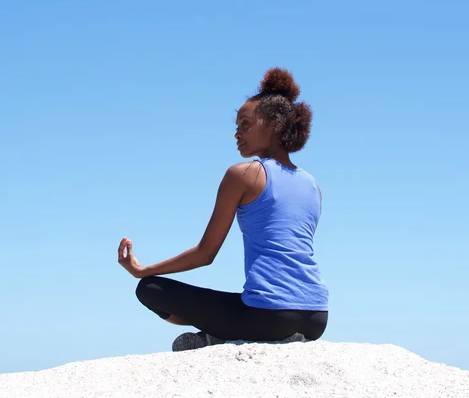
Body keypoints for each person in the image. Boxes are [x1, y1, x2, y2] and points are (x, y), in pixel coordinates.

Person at [117, 67, 329, 351]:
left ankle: (222, 337)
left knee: (150, 289)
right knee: (244, 303)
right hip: (317, 316)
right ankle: (238, 333)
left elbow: (205, 254)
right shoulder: (313, 186)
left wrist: (142, 270)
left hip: (271, 316)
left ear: (274, 125)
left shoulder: (243, 174)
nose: (236, 134)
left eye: (245, 124)